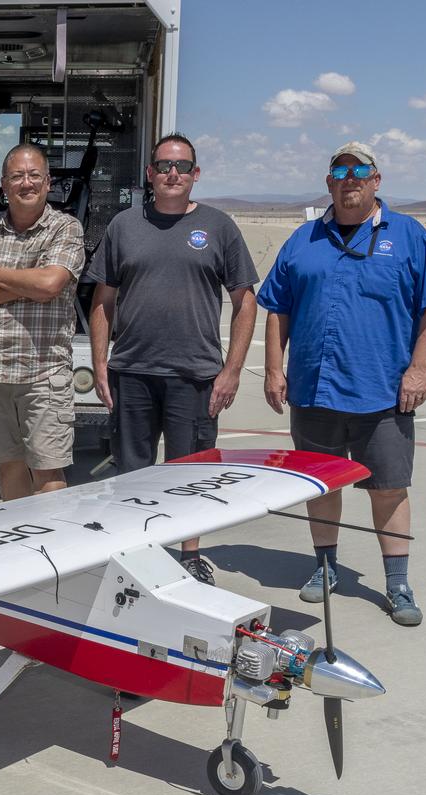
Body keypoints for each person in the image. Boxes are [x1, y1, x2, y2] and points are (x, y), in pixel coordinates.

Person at [258, 141, 426, 626]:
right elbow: (277, 308)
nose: (350, 178)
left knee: (388, 489)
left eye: (360, 170)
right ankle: (324, 567)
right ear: (329, 182)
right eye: (340, 170)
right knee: (322, 485)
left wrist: (419, 369)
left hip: (383, 394)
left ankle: (397, 583)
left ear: (376, 180)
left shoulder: (409, 236)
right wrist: (273, 368)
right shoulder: (303, 240)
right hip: (315, 391)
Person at [89, 133, 259, 584]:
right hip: (133, 372)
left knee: (192, 474)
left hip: (196, 374)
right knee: (132, 475)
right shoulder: (124, 226)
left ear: (195, 174)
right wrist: (101, 364)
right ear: (150, 173)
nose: (172, 174)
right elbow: (103, 300)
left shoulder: (219, 227)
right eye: (164, 165)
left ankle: (189, 555)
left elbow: (245, 301)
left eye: (182, 167)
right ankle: (135, 550)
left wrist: (232, 370)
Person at [0, 144, 86, 500]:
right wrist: (28, 283)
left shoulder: (65, 228)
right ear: (4, 184)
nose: (26, 183)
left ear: (48, 183)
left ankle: (55, 552)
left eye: (34, 176)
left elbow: (50, 286)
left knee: (47, 469)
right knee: (9, 464)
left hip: (43, 374)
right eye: (17, 176)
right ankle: (18, 545)